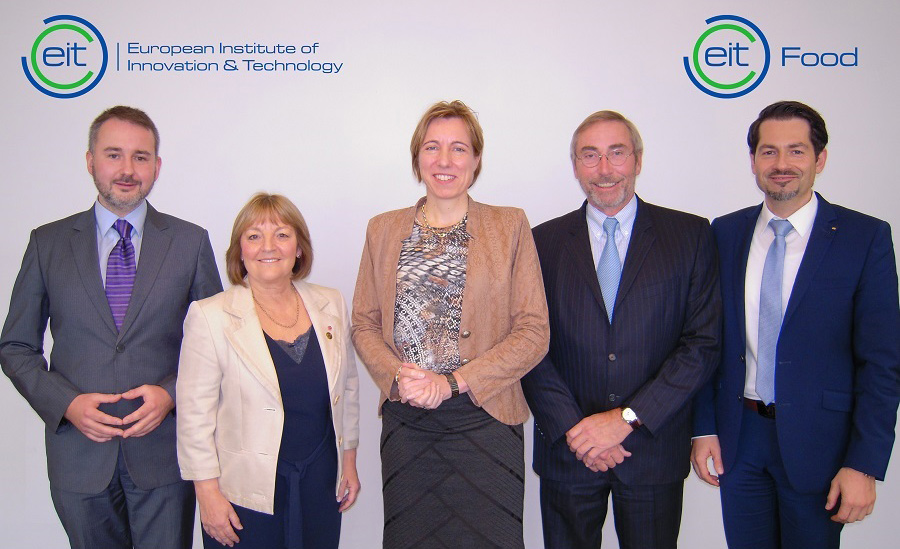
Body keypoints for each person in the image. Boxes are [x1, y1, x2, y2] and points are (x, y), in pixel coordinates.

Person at [0, 105, 222, 548]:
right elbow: (16, 346)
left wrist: (170, 394)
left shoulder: (189, 241)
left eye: (141, 157)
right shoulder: (48, 243)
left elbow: (220, 347)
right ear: (90, 160)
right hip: (79, 457)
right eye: (114, 154)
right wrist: (66, 404)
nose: (127, 169)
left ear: (157, 167)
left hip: (165, 454)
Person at [691, 100, 900, 548]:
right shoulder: (724, 234)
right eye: (768, 152)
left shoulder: (865, 239)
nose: (781, 164)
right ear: (753, 161)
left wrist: (863, 463)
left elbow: (882, 362)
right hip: (739, 440)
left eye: (796, 151)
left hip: (821, 448)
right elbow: (706, 342)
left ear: (820, 159)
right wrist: (704, 427)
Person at [351, 99, 549, 549]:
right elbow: (363, 321)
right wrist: (399, 375)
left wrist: (454, 382)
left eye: (459, 149)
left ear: (476, 160)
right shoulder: (382, 229)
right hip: (408, 422)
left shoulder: (510, 225)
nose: (444, 161)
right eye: (432, 148)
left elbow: (534, 330)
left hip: (487, 420)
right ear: (417, 157)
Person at [521, 110, 721, 548]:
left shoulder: (689, 235)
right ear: (574, 165)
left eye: (617, 153)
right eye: (590, 156)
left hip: (652, 450)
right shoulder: (541, 242)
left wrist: (627, 419)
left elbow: (702, 345)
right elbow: (529, 345)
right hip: (568, 451)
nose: (605, 169)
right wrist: (580, 431)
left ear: (638, 159)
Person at [177, 193, 361, 548]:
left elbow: (348, 390)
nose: (268, 246)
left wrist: (349, 462)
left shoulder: (331, 304)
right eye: (254, 236)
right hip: (242, 495)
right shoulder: (210, 316)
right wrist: (207, 495)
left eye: (281, 234)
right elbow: (193, 420)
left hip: (319, 482)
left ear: (299, 248)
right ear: (240, 251)